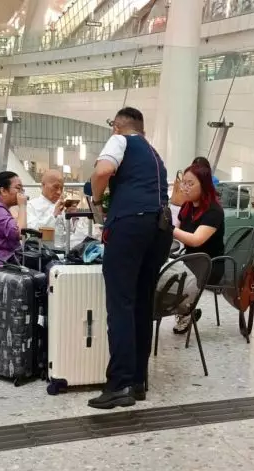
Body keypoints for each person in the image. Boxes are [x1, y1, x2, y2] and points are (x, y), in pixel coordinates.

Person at [88, 107, 173, 410]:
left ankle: (119, 384)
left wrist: (96, 200)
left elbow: (102, 172)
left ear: (116, 126)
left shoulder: (120, 140)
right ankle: (137, 381)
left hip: (130, 225)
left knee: (121, 303)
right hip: (160, 229)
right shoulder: (153, 154)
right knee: (141, 304)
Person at [170, 161, 224, 333]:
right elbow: (178, 233)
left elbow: (195, 240)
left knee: (170, 278)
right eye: (184, 183)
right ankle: (184, 309)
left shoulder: (214, 211)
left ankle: (185, 311)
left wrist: (168, 229)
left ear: (204, 186)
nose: (184, 188)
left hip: (209, 264)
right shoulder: (187, 206)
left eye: (190, 184)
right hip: (190, 259)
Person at [25, 169, 87, 248]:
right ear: (43, 185)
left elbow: (69, 232)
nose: (59, 192)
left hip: (64, 248)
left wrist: (71, 218)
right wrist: (54, 215)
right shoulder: (31, 205)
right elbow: (32, 231)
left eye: (61, 188)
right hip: (42, 250)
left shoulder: (60, 206)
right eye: (55, 187)